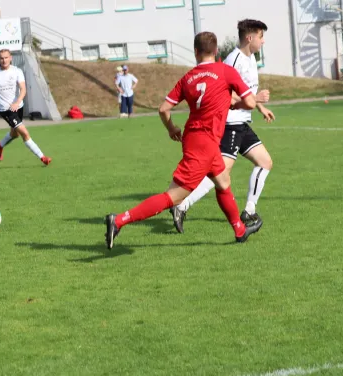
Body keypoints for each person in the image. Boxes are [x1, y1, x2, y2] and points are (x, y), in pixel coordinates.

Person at [105, 32, 260, 250]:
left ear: (195, 52)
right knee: (173, 197)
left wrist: (171, 129)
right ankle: (119, 220)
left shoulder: (188, 77)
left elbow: (163, 109)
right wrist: (233, 104)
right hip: (206, 142)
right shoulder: (226, 71)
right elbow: (251, 102)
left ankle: (239, 230)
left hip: (193, 137)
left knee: (223, 182)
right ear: (216, 52)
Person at [171, 19, 273, 233]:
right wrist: (255, 98)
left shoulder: (251, 58)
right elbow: (224, 92)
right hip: (229, 124)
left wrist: (260, 107)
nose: (263, 41)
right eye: (261, 36)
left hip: (242, 122)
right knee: (219, 175)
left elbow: (245, 91)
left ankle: (249, 210)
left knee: (264, 162)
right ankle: (181, 204)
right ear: (250, 37)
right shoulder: (233, 60)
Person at [0, 49, 52, 166]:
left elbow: (23, 89)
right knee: (24, 133)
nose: (4, 60)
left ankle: (0, 145)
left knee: (15, 134)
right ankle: (43, 157)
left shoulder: (17, 71)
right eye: (1, 58)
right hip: (6, 110)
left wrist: (17, 102)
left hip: (18, 107)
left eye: (6, 57)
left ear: (10, 58)